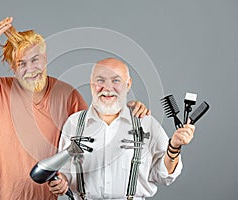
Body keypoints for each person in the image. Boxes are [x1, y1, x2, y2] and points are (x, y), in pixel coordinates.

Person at [0, 18, 150, 200]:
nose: (30, 69)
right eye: (22, 63)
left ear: (45, 58)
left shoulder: (66, 95)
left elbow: (93, 136)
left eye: (35, 60)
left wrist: (126, 108)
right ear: (13, 68)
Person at [48, 58, 195, 200]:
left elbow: (165, 176)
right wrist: (60, 182)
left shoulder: (146, 123)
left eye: (116, 80)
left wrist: (174, 146)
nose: (107, 88)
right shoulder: (74, 123)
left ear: (128, 84)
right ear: (92, 84)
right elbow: (64, 172)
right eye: (100, 80)